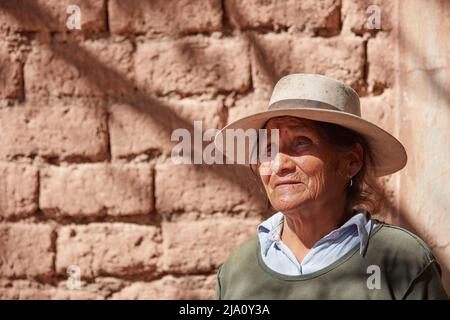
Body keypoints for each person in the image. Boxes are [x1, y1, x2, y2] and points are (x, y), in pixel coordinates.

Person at [213, 73, 448, 299]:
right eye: (268, 149)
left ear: (352, 161)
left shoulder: (400, 260)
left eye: (301, 143)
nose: (279, 165)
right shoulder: (237, 270)